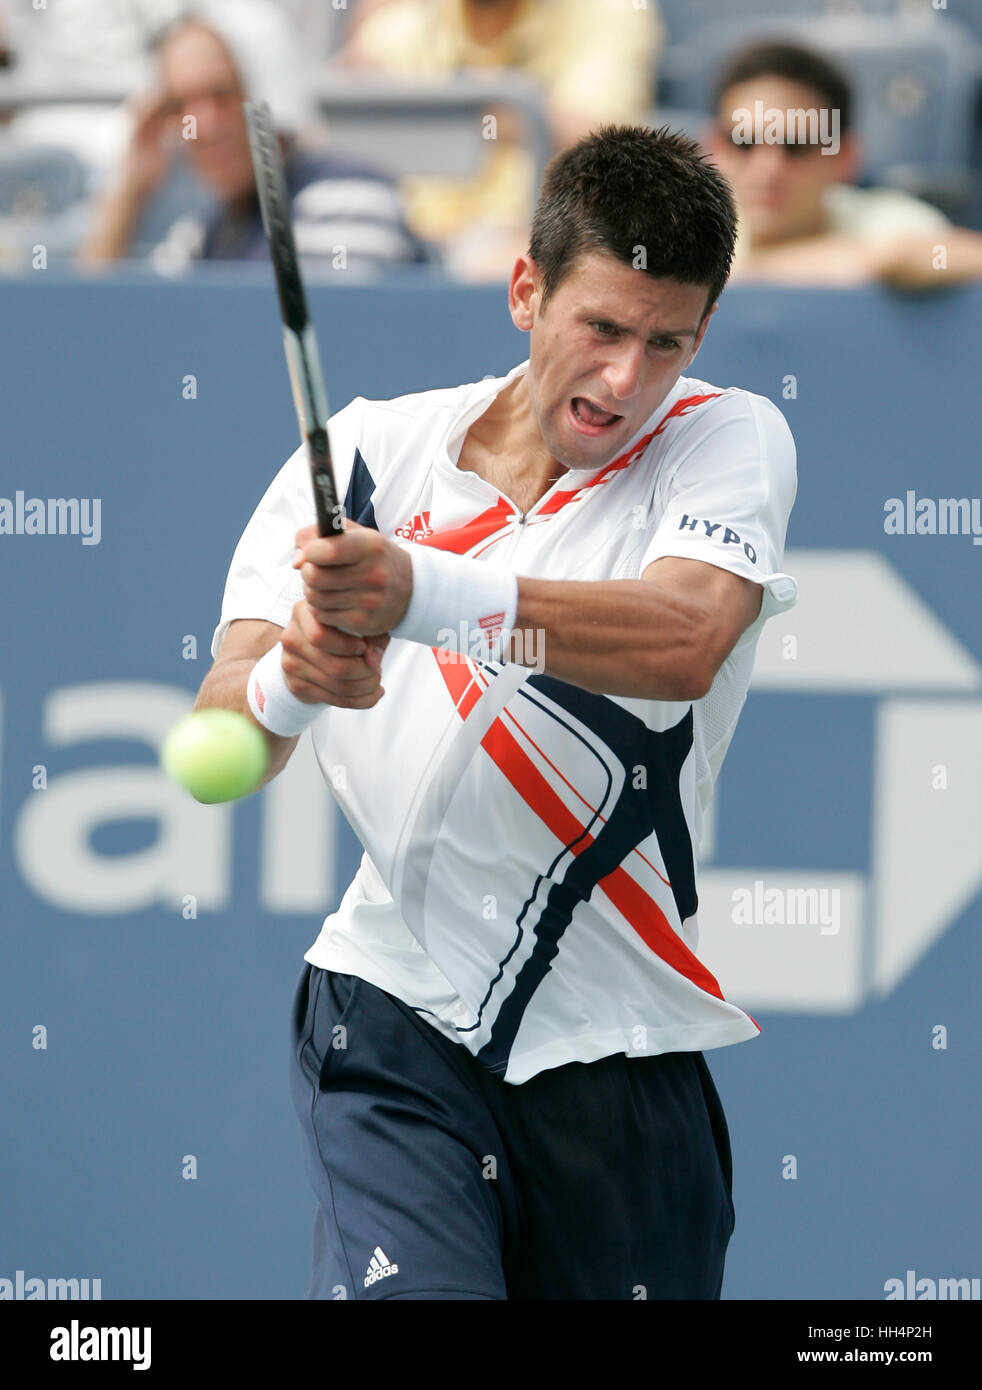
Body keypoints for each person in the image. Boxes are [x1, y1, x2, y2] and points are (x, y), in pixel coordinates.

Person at [195, 124, 799, 1300]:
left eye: (666, 341)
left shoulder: (724, 440)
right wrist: (292, 679)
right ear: (526, 289)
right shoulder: (366, 451)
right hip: (390, 1017)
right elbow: (223, 738)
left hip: (620, 1061)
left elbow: (682, 642)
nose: (627, 379)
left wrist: (422, 594)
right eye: (603, 329)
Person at [77, 2, 429, 275]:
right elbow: (95, 326)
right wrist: (130, 189)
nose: (201, 126)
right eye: (180, 104)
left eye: (222, 93)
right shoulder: (209, 231)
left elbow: (329, 346)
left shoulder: (349, 198)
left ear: (273, 90)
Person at [335, 0, 664, 280]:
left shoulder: (609, 13)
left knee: (514, 266)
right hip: (406, 237)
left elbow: (611, 147)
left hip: (524, 237)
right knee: (340, 249)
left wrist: (473, 106)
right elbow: (340, 117)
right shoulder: (406, 22)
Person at [703, 40, 982, 289]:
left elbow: (961, 257)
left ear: (845, 158)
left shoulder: (885, 222)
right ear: (713, 149)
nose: (766, 167)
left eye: (796, 146)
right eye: (744, 143)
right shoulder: (693, 229)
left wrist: (888, 259)